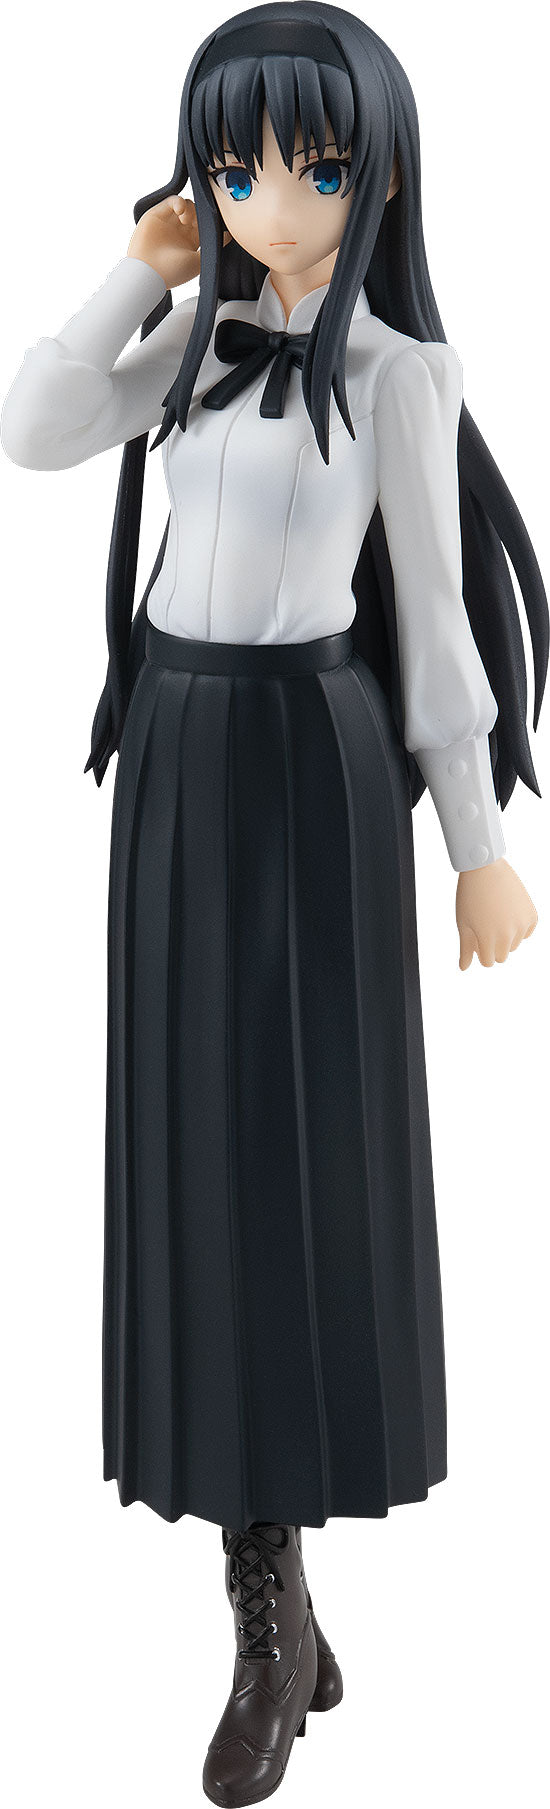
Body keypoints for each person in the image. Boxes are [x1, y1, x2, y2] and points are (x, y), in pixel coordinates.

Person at [1, 6, 546, 1804]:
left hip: (313, 771)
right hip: (175, 754)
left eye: (306, 166)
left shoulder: (396, 375)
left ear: (373, 175)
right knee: (190, 1161)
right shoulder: (191, 341)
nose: (268, 199)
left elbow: (438, 623)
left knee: (298, 1172)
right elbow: (32, 428)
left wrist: (474, 837)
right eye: (235, 167)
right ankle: (268, 1601)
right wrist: (135, 270)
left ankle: (271, 1609)